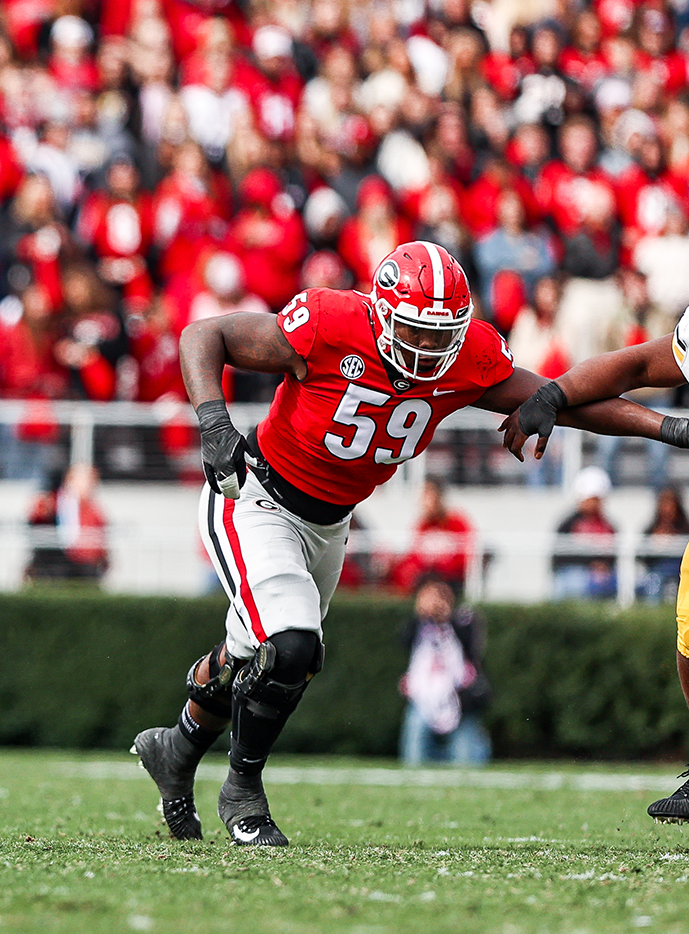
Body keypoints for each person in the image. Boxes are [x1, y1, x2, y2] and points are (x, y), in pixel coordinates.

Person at [131, 242, 676, 847]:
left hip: (332, 522)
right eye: (415, 331)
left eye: (440, 335)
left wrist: (664, 427)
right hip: (256, 496)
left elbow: (565, 398)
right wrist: (213, 423)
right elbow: (204, 336)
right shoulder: (330, 323)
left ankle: (176, 750)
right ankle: (243, 791)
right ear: (381, 309)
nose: (426, 349)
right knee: (290, 645)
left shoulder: (464, 358)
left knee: (252, 658)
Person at [397, 579, 492, 766]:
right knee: (414, 754)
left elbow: (473, 647)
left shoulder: (463, 620)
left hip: (459, 698)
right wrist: (421, 615)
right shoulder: (419, 625)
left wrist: (447, 617)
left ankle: (482, 749)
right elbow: (403, 639)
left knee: (465, 758)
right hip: (423, 698)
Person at [385, 479, 477, 595]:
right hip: (425, 582)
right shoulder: (423, 525)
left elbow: (464, 559)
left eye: (427, 495)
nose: (423, 501)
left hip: (450, 582)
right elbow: (413, 556)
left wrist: (438, 567)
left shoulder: (457, 523)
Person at [25, 462, 109, 584]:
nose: (91, 485)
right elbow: (36, 521)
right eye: (86, 480)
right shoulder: (52, 502)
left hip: (84, 567)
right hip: (54, 562)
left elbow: (100, 542)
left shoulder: (94, 511)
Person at [549, 467, 620, 600]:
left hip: (600, 577)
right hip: (574, 574)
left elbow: (613, 557)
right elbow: (559, 557)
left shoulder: (609, 526)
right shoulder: (568, 523)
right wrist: (590, 563)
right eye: (592, 499)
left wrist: (602, 565)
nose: (594, 503)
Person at [643, 487, 689, 603]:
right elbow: (642, 556)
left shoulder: (684, 528)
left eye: (670, 503)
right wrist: (654, 543)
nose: (667, 508)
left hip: (679, 570)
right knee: (653, 581)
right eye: (664, 503)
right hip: (658, 570)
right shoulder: (652, 528)